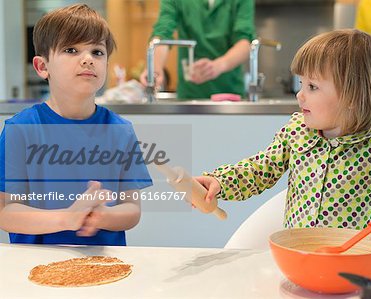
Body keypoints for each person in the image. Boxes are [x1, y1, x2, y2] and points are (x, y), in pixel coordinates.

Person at [196, 29, 371, 229]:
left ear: (352, 96)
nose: (300, 94)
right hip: (297, 255)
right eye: (301, 83)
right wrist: (221, 182)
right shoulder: (296, 131)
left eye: (312, 86)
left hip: (351, 259)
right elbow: (260, 169)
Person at [0, 4, 152, 245]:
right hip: (34, 266)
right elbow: (6, 213)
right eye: (71, 50)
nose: (88, 59)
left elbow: (132, 209)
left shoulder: (120, 130)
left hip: (105, 265)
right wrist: (66, 218)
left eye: (97, 52)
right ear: (42, 66)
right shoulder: (20, 129)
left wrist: (103, 215)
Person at [139, 0, 255, 99]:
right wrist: (155, 69)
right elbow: (163, 31)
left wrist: (218, 66)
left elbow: (245, 42)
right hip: (190, 95)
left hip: (229, 95)